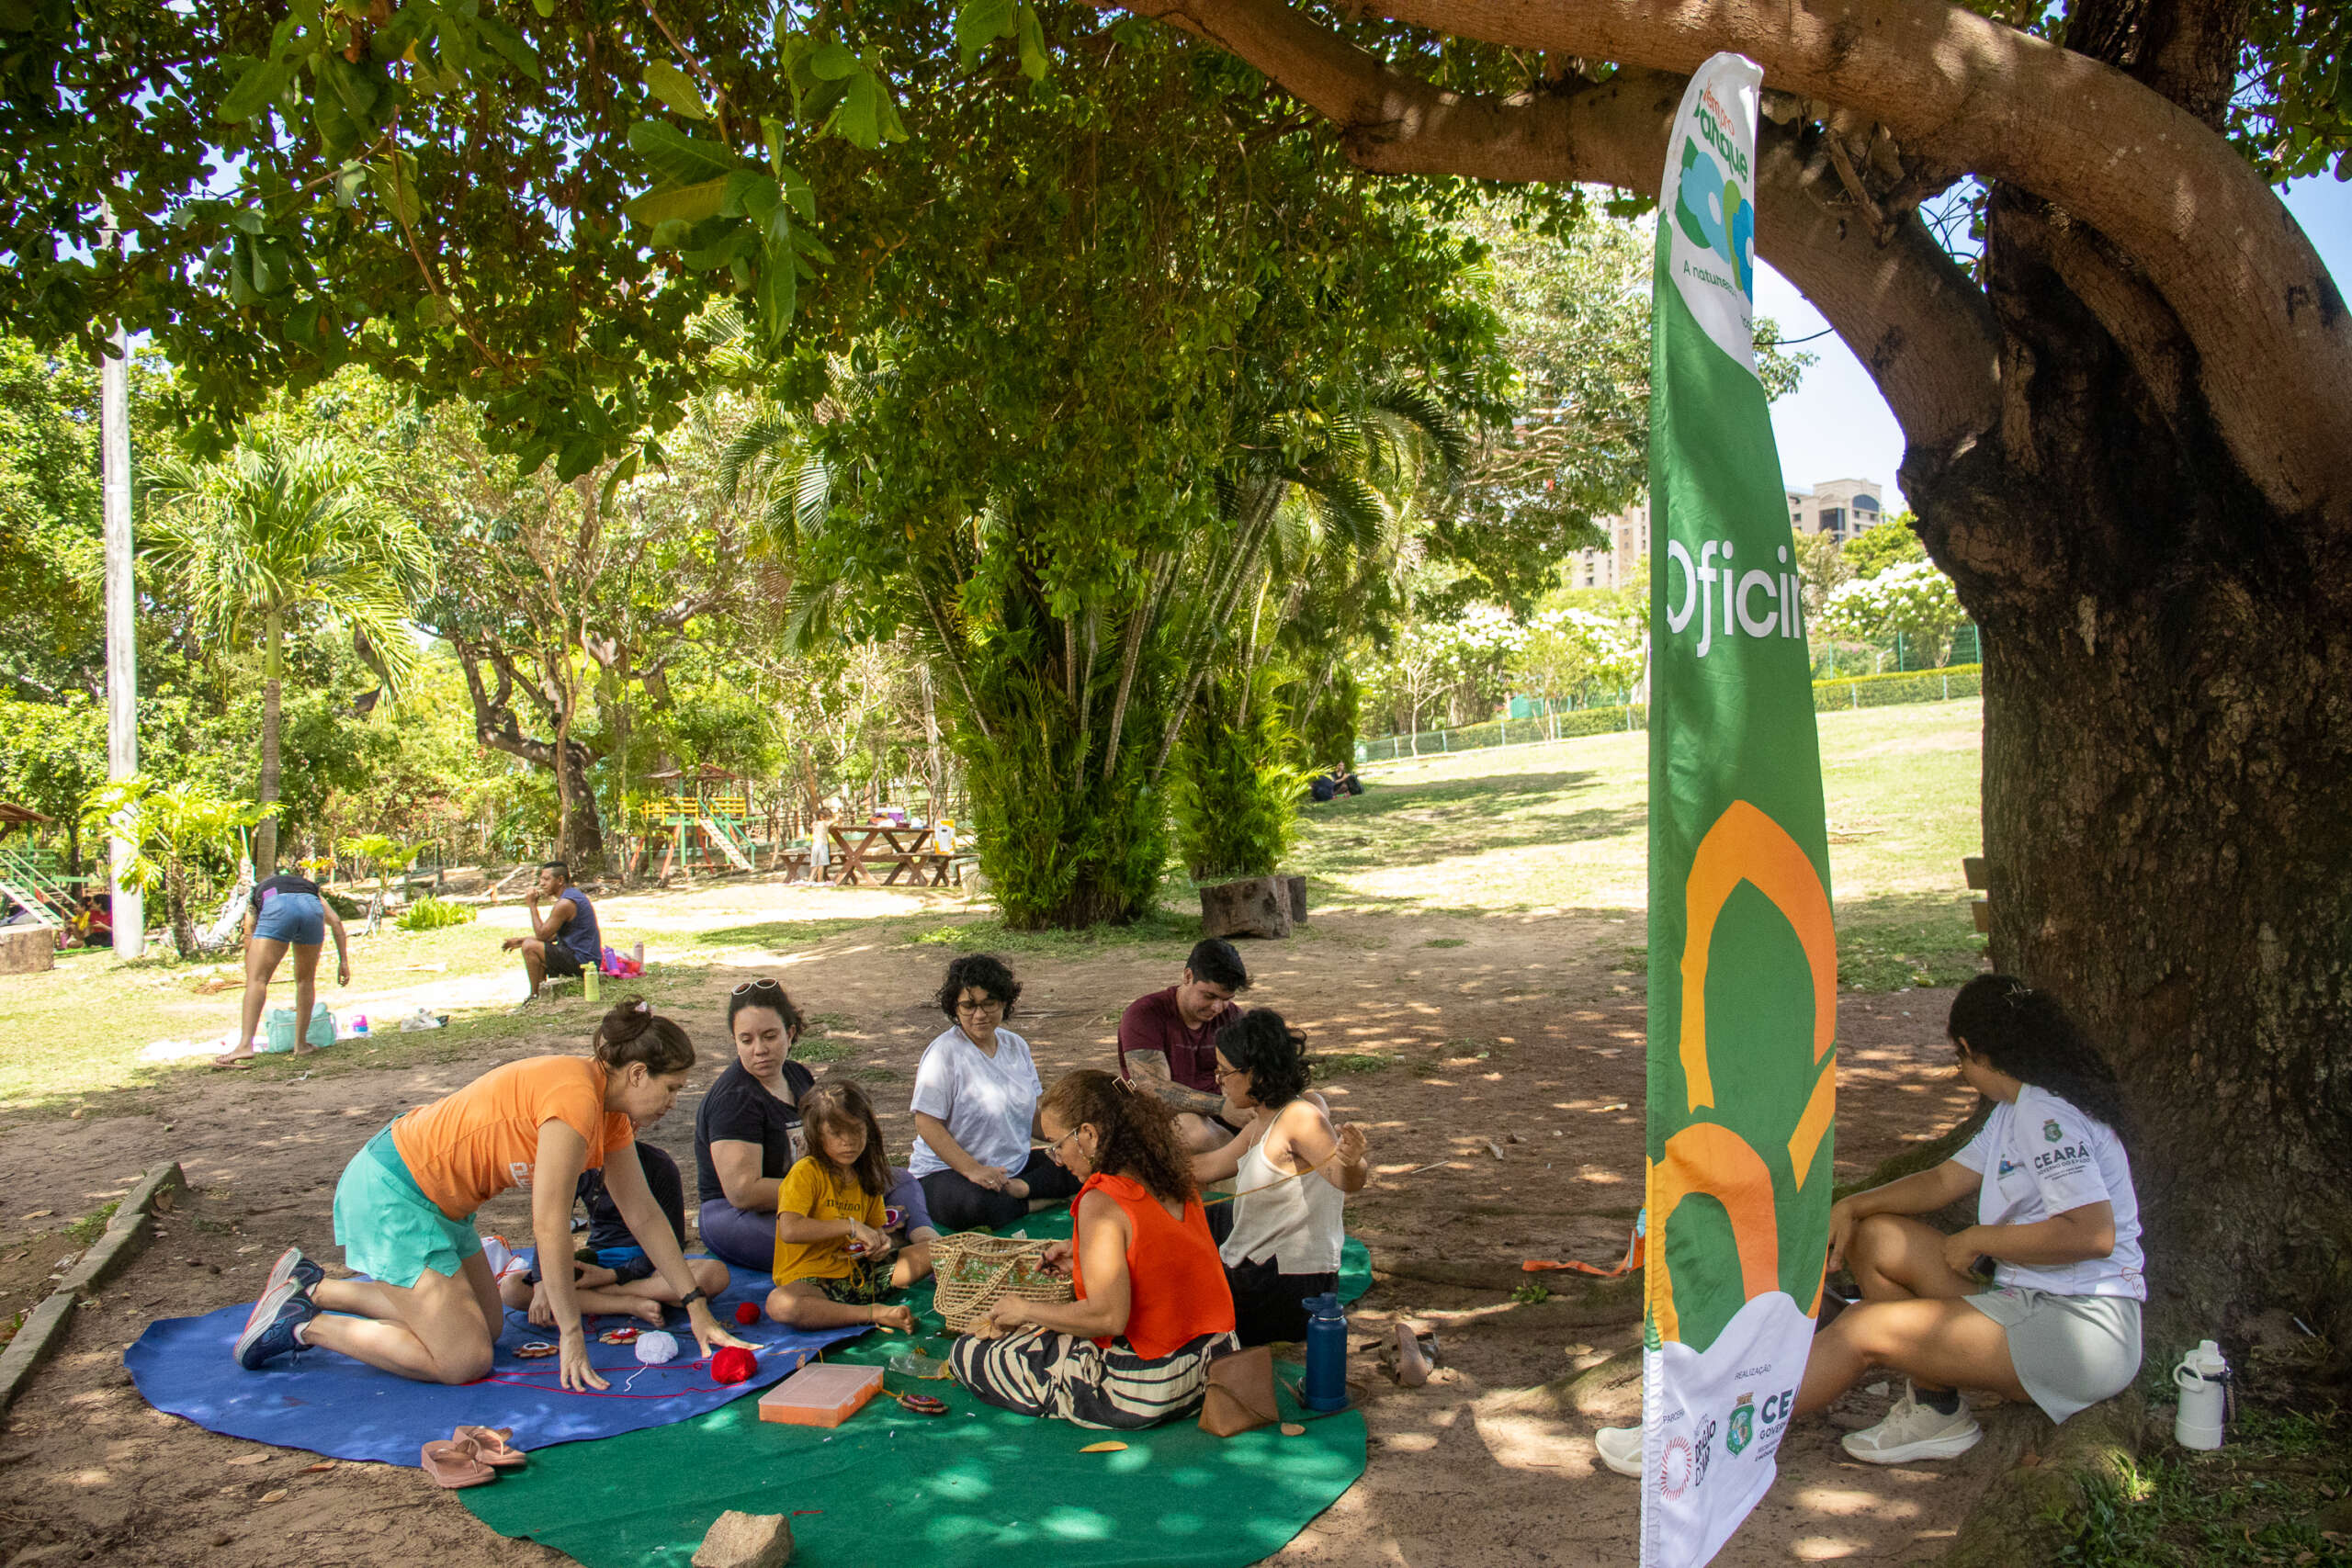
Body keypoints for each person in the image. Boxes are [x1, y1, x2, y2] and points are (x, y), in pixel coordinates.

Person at [1593, 975, 2144, 1475]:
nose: (1962, 1073)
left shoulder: (2045, 1114)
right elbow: (1941, 1180)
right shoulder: (2017, 1108)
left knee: (1862, 1332)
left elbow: (2091, 1234)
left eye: (1959, 1060)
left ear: (1974, 1050)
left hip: (2079, 1332)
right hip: (2034, 1306)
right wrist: (1853, 1206)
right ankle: (1937, 1411)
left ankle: (1694, 1436)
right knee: (1878, 1238)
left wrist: (1982, 1239)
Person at [232, 998, 756, 1390]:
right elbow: (549, 1225)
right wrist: (571, 1333)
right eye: (672, 1088)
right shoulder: (575, 1099)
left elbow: (643, 1214)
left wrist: (696, 1306)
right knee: (464, 1360)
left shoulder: (609, 1112)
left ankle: (314, 1287)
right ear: (638, 1074)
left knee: (486, 1326)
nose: (673, 1101)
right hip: (394, 1193)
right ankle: (306, 1324)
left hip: (441, 1206)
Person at [953, 1069, 1239, 1427]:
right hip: (1216, 1365)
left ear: (1088, 1135)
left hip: (1151, 1386)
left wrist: (1025, 1310)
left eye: (1057, 1145)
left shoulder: (1101, 1199)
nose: (1057, 1159)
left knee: (970, 1351)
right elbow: (1158, 1255)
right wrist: (1083, 1254)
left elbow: (1108, 1318)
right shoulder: (1168, 1171)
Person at [694, 977, 935, 1269]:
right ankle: (885, 1241)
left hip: (815, 1192)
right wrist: (833, 1200)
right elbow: (743, 1192)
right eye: (746, 1040)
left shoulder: (797, 1075)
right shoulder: (734, 1099)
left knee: (900, 1180)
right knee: (816, 1241)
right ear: (735, 1040)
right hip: (740, 1215)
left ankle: (930, 1244)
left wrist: (850, 1189)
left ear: (790, 1032)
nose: (759, 1049)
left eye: (769, 1036)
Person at [1193, 1010, 1370, 1345]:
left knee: (1177, 1289)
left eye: (1224, 1072)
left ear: (1255, 1073)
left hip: (1287, 1288)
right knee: (1196, 1220)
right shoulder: (1265, 1118)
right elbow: (1207, 1167)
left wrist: (1352, 1162)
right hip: (1266, 1268)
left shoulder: (1299, 1118)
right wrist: (1136, 1163)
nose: (1219, 1081)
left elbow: (1346, 1179)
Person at [909, 953, 1081, 1232]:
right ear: (955, 1007)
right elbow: (926, 1123)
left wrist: (1066, 1141)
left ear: (1004, 1002)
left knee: (1089, 1163)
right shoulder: (943, 1054)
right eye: (969, 1005)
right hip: (948, 1173)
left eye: (989, 1003)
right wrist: (973, 1170)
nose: (979, 1015)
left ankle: (1022, 1190)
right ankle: (1035, 1200)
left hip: (1014, 1168)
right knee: (978, 1205)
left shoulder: (1016, 1046)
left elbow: (1028, 1115)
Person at [499, 1141, 730, 1327]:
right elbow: (550, 1225)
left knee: (714, 1274)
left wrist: (612, 1276)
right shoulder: (578, 1164)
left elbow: (673, 1245)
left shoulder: (658, 1163)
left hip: (651, 1266)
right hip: (599, 1262)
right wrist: (541, 1282)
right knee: (512, 1288)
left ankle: (599, 1297)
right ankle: (629, 1304)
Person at [764, 1082, 935, 1331]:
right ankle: (873, 1313)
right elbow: (790, 1230)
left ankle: (861, 1308)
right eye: (836, 1133)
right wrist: (850, 1226)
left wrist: (880, 1245)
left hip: (863, 1275)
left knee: (942, 1250)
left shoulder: (866, 1173)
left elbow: (877, 1231)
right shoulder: (805, 1172)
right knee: (780, 1304)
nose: (848, 1141)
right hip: (814, 1283)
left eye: (856, 1130)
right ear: (817, 1134)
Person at [1116, 938, 1250, 1154]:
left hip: (1226, 1111)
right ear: (1188, 976)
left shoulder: (1232, 1016)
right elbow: (1152, 1088)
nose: (1217, 1007)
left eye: (1226, 999)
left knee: (1303, 1107)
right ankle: (1243, 1169)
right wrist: (1220, 1106)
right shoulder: (1144, 1014)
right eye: (1209, 996)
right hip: (1165, 1119)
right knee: (1195, 1131)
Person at [214, 869, 352, 1067]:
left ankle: (244, 1046)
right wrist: (343, 962)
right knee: (306, 981)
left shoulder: (258, 893)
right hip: (311, 908)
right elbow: (336, 922)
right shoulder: (308, 889)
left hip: (278, 906)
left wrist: (251, 968)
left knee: (257, 981)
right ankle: (301, 1045)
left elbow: (249, 933)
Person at [503, 861, 601, 997]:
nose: (542, 883)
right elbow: (551, 936)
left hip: (583, 963)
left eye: (546, 879)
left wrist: (532, 905)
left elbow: (542, 935)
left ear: (560, 880)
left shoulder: (565, 903)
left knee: (530, 947)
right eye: (541, 879)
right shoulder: (572, 896)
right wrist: (520, 941)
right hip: (583, 959)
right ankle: (540, 995)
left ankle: (534, 996)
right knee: (530, 944)